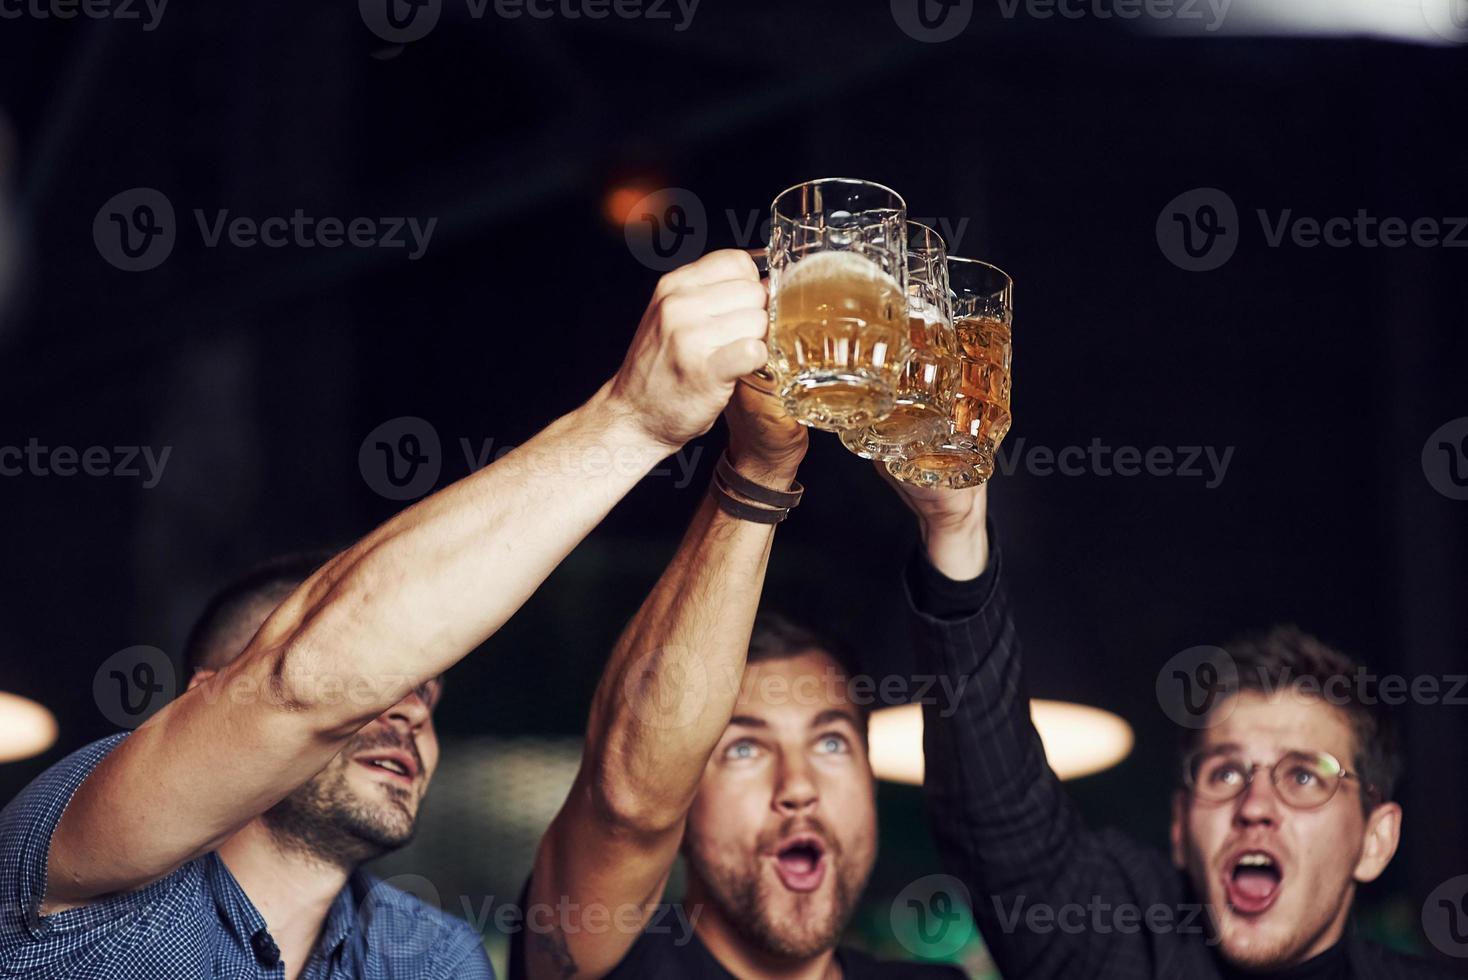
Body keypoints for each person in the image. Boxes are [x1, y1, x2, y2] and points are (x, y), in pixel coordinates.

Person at [0, 249, 771, 980]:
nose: (408, 713)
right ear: (204, 698)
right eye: (388, 683)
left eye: (428, 697)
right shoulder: (77, 863)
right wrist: (633, 419)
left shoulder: (431, 956)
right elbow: (301, 684)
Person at [882, 472, 1458, 979]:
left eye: (1305, 777)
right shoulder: (1117, 949)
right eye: (1226, 772)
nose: (1255, 804)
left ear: (1375, 841)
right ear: (1181, 827)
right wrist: (955, 532)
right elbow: (997, 814)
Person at [513, 379, 965, 980]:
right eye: (744, 748)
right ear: (682, 793)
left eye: (831, 742)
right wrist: (762, 467)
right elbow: (622, 804)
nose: (798, 787)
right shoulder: (604, 962)